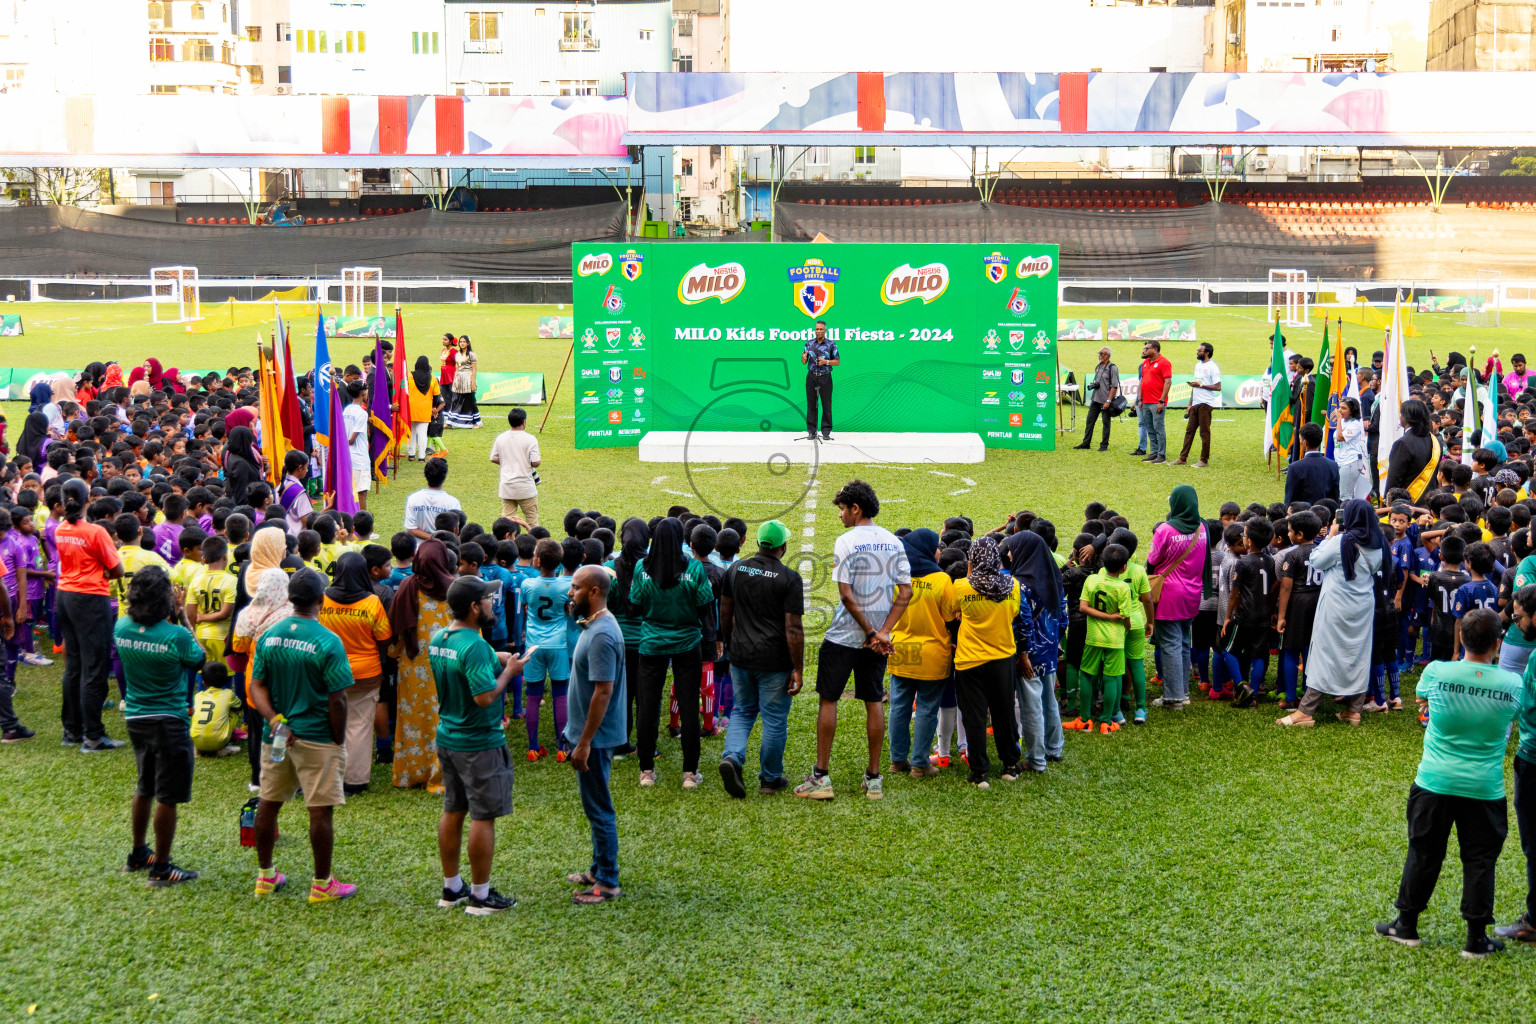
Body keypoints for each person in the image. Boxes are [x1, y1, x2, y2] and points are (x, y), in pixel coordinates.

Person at [1376, 608, 1520, 958]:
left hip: (1434, 781)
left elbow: (1423, 700)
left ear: (1461, 638)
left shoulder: (1437, 672)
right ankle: (1476, 940)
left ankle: (1406, 925)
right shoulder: (1512, 683)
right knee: (1480, 860)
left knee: (1424, 852)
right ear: (1498, 644)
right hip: (1485, 787)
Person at [795, 480, 911, 801]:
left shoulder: (846, 541)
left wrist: (872, 633)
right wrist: (883, 632)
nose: (841, 516)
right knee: (874, 701)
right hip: (877, 640)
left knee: (828, 699)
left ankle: (821, 778)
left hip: (844, 635)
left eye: (842, 509)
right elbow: (906, 592)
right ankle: (874, 779)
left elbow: (845, 595)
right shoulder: (894, 542)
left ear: (855, 509)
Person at [247, 569, 358, 903]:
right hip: (318, 737)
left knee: (268, 802)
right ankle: (322, 884)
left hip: (279, 736)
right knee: (320, 810)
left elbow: (256, 684)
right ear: (321, 600)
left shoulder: (269, 635)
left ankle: (265, 876)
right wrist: (338, 738)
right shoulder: (328, 641)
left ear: (289, 599)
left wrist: (275, 721)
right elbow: (337, 698)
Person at [430, 576, 529, 915]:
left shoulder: (441, 636)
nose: (493, 605)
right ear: (474, 607)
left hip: (449, 737)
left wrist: (501, 657)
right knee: (483, 816)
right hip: (479, 742)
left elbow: (471, 660)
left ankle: (451, 887)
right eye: (488, 600)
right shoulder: (474, 646)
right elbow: (485, 696)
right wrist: (510, 672)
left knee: (453, 809)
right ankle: (480, 897)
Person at [116, 565, 205, 886]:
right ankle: (162, 869)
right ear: (164, 598)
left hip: (136, 718)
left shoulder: (122, 627)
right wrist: (180, 616)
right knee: (167, 795)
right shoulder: (176, 634)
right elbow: (200, 660)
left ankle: (139, 853)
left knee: (145, 786)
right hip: (169, 721)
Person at [1278, 499, 1385, 727]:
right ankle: (1353, 709)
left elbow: (1316, 560)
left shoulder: (1341, 541)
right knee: (1358, 653)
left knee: (1323, 653)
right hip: (1363, 605)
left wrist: (1329, 536)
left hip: (1337, 604)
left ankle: (1306, 710)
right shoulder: (1379, 542)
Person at [717, 520, 805, 796]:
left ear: (756, 543)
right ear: (783, 546)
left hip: (741, 656)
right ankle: (770, 778)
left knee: (742, 711)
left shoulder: (735, 568)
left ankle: (732, 757)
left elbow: (725, 612)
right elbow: (793, 628)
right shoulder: (789, 578)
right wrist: (798, 668)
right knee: (774, 719)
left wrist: (730, 644)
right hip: (774, 662)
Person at [630, 518, 715, 789]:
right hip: (688, 644)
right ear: (681, 539)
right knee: (690, 706)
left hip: (651, 645)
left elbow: (635, 605)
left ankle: (647, 770)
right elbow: (705, 607)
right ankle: (690, 773)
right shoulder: (694, 568)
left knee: (647, 705)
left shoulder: (641, 568)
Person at [565, 565, 627, 904]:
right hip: (590, 735)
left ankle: (607, 882)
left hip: (595, 737)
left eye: (575, 587)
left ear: (593, 592)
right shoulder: (594, 624)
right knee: (594, 805)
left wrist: (584, 742)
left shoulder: (603, 634)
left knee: (599, 807)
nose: (569, 592)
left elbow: (603, 692)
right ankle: (597, 867)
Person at [56, 478, 125, 751]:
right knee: (94, 667)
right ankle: (93, 736)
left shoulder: (61, 528)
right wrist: (105, 571)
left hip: (65, 596)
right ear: (88, 500)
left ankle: (72, 731)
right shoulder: (96, 532)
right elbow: (117, 569)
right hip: (90, 598)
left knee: (74, 666)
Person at [951, 536, 1027, 784]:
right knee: (1004, 712)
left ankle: (979, 772)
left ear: (971, 559)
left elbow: (952, 612)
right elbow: (1015, 614)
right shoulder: (1012, 586)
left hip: (969, 661)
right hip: (1003, 657)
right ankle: (1010, 765)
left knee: (974, 717)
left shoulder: (961, 586)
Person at [882, 527, 955, 779]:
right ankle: (920, 763)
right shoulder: (942, 580)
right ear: (927, 549)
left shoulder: (896, 576)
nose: (938, 551)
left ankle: (896, 760)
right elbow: (949, 616)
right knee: (926, 709)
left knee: (899, 706)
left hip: (901, 650)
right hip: (933, 654)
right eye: (936, 546)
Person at [319, 551, 393, 796]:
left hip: (329, 671)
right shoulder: (371, 602)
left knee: (328, 722)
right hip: (366, 672)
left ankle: (326, 775)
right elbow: (384, 638)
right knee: (360, 726)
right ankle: (355, 781)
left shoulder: (323, 599)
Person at [386, 539, 457, 792]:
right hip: (447, 665)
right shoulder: (455, 590)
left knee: (413, 718)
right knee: (445, 717)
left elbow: (396, 628)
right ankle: (441, 775)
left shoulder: (407, 586)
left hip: (413, 665)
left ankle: (411, 774)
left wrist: (395, 653)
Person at [1146, 485, 1207, 710]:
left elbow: (1153, 558)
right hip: (1193, 593)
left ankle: (1173, 698)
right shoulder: (1202, 527)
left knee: (1170, 644)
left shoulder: (1166, 529)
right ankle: (1182, 692)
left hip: (1168, 593)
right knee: (1182, 642)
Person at [1068, 542, 1135, 736]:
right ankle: (1106, 722)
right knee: (1111, 677)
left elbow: (1083, 607)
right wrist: (1122, 625)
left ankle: (1085, 719)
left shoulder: (1091, 580)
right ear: (1124, 567)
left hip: (1093, 637)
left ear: (1103, 562)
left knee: (1087, 675)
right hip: (1115, 639)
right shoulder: (1123, 587)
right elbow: (1125, 617)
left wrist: (1103, 617)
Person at [519, 538, 574, 761]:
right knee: (561, 694)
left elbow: (525, 606)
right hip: (558, 645)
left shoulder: (527, 584)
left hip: (533, 646)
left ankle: (533, 748)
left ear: (538, 560)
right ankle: (562, 748)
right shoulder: (565, 586)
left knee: (533, 696)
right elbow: (569, 611)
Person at [1383, 399, 1443, 504]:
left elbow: (1394, 478)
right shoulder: (1435, 440)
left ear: (1406, 418)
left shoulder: (1402, 443)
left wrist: (1387, 504)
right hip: (1430, 502)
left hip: (1406, 503)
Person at [489, 407, 540, 527]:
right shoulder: (530, 439)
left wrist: (507, 461)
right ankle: (536, 545)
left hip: (507, 487)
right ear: (524, 422)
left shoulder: (501, 438)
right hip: (526, 488)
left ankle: (506, 544)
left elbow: (493, 458)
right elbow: (536, 462)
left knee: (506, 523)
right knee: (532, 522)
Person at [1171, 342, 1220, 467]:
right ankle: (1182, 458)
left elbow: (1218, 387)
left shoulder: (1213, 367)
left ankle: (1204, 460)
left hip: (1205, 404)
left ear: (1206, 352)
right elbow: (1196, 385)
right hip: (1195, 404)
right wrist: (1190, 403)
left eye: (1200, 350)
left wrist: (1201, 385)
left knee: (1204, 433)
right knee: (1189, 431)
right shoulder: (1198, 365)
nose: (1197, 352)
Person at [403, 458, 462, 541]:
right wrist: (438, 540)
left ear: (425, 475)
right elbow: (457, 531)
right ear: (445, 476)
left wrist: (432, 539)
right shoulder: (452, 502)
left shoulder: (413, 498)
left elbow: (411, 528)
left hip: (418, 551)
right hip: (444, 550)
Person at [1135, 339, 1173, 464]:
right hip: (1145, 401)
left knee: (1158, 428)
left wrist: (1161, 401)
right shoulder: (1145, 363)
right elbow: (1141, 381)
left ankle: (1161, 455)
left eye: (1147, 349)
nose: (1144, 350)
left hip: (1157, 402)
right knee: (1150, 428)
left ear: (1155, 349)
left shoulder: (1164, 362)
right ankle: (1154, 453)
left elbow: (1168, 382)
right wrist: (1140, 399)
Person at [1074, 347, 1119, 452]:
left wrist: (1108, 401)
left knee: (1106, 423)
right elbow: (1099, 382)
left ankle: (1104, 446)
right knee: (1089, 421)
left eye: (1101, 353)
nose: (1099, 355)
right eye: (1099, 353)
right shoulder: (1098, 366)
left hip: (1106, 400)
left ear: (1107, 356)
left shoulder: (1112, 368)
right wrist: (1093, 385)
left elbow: (1114, 386)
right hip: (1095, 399)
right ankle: (1086, 443)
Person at [1284, 422, 1340, 507]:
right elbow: (1335, 499)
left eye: (1299, 440)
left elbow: (1289, 500)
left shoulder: (1295, 467)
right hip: (1325, 515)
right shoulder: (1333, 466)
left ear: (1304, 442)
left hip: (1303, 517)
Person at [801, 319, 839, 441]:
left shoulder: (831, 345)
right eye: (817, 329)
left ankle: (826, 432)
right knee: (811, 404)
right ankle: (812, 432)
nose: (819, 331)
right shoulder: (809, 344)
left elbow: (837, 361)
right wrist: (803, 357)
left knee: (826, 404)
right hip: (812, 376)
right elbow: (803, 362)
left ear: (825, 330)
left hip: (825, 377)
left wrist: (825, 362)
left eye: (821, 329)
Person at [404, 355, 443, 461]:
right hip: (425, 408)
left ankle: (411, 455)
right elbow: (436, 395)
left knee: (411, 432)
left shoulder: (409, 376)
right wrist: (434, 408)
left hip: (410, 408)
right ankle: (421, 457)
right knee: (422, 434)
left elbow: (404, 391)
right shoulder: (432, 377)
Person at [1332, 397, 1371, 501]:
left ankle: (1346, 516)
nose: (1340, 410)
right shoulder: (1344, 422)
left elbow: (1340, 437)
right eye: (1339, 407)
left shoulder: (1355, 424)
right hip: (1341, 460)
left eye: (1344, 408)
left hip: (1350, 461)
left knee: (1345, 496)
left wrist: (1339, 419)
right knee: (1341, 493)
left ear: (1351, 411)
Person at [444, 335, 481, 429]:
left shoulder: (471, 355)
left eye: (464, 341)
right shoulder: (457, 355)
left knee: (470, 401)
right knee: (455, 400)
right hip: (459, 380)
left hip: (468, 380)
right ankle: (449, 423)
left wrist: (472, 383)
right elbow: (457, 369)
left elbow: (474, 370)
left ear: (468, 343)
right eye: (460, 342)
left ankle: (478, 423)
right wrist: (455, 381)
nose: (462, 343)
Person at [343, 380, 370, 510]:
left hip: (347, 456)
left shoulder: (346, 410)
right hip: (359, 456)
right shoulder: (362, 413)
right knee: (361, 492)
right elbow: (352, 439)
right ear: (363, 393)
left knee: (350, 490)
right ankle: (362, 521)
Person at [222, 425, 263, 506]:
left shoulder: (236, 455)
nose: (251, 443)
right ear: (244, 441)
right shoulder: (240, 464)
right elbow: (242, 496)